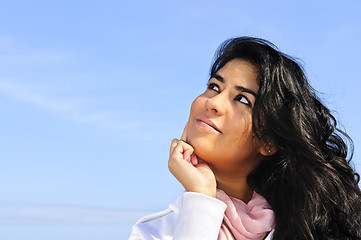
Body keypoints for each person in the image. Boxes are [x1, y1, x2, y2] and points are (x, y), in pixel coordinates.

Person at [129, 37, 361, 240]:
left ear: (268, 141)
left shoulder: (314, 226)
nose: (213, 102)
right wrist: (200, 198)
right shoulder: (153, 233)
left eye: (242, 99)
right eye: (214, 86)